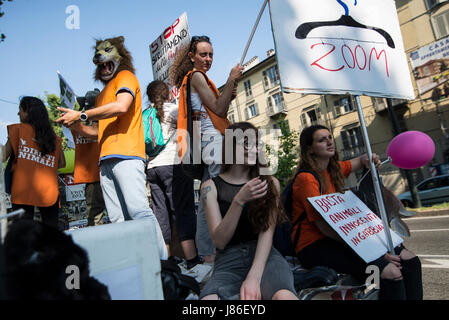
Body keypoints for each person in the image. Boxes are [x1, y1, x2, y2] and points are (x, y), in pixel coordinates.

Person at [56, 36, 167, 260]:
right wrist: (76, 125)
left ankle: (165, 265)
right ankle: (137, 266)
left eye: (107, 50)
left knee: (139, 212)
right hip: (105, 161)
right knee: (118, 220)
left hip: (128, 156)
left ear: (121, 56)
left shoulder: (126, 76)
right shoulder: (100, 96)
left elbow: (122, 106)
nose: (99, 55)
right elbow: (97, 131)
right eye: (97, 52)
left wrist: (82, 114)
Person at [292, 125, 423, 300]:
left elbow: (361, 160)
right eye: (322, 140)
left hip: (343, 239)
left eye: (330, 137)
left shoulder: (334, 170)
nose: (330, 142)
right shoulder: (306, 179)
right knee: (390, 272)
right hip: (315, 245)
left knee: (411, 261)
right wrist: (373, 250)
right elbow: (324, 227)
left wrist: (370, 159)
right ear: (310, 149)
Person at [199, 122, 298, 300]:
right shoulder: (210, 187)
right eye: (246, 143)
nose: (253, 149)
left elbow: (267, 233)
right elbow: (220, 242)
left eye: (257, 143)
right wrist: (239, 200)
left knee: (284, 296)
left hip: (265, 256)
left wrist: (254, 276)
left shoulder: (270, 182)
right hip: (229, 259)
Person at [169, 35, 243, 263]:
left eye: (210, 54)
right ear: (191, 57)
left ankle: (207, 255)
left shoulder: (193, 78)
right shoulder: (198, 76)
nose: (208, 59)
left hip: (206, 142)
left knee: (207, 198)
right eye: (203, 54)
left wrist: (227, 94)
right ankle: (220, 251)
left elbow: (215, 108)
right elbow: (219, 110)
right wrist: (230, 79)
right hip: (213, 141)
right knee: (221, 194)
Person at [145, 80, 201, 269]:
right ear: (167, 94)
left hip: (152, 168)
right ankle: (192, 260)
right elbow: (193, 125)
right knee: (183, 210)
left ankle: (168, 262)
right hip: (173, 165)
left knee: (161, 214)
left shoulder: (144, 114)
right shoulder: (173, 109)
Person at [3, 96, 65, 229]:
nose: (18, 113)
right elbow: (61, 163)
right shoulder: (54, 137)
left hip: (22, 190)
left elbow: (2, 156)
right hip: (48, 192)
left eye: (20, 110)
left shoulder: (18, 130)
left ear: (28, 112)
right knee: (51, 233)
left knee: (23, 233)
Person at [71, 94, 106, 227]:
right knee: (94, 215)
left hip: (103, 171)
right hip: (92, 175)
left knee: (105, 212)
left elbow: (94, 131)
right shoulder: (78, 124)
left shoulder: (79, 124)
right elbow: (91, 131)